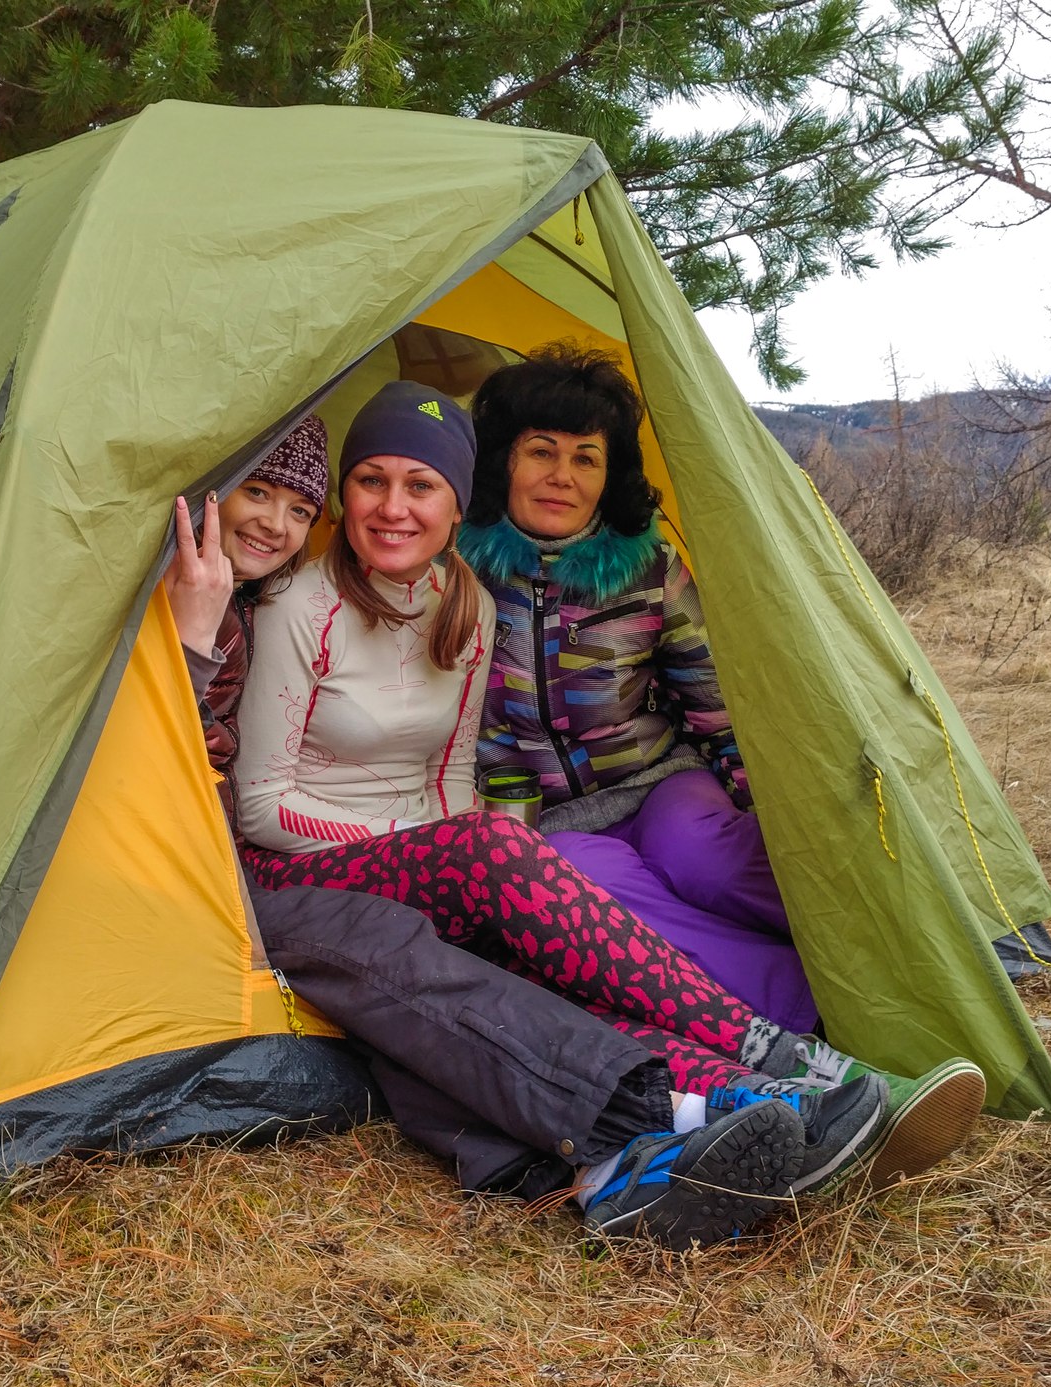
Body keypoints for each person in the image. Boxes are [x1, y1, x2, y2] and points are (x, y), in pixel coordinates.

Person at [226, 382, 894, 1225]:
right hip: (302, 864)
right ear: (344, 498)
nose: (394, 507)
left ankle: (749, 1095)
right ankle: (769, 1044)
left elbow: (450, 776)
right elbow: (260, 807)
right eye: (371, 481)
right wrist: (439, 845)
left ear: (455, 501)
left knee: (549, 960)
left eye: (421, 486)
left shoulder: (459, 604)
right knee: (499, 853)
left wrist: (446, 850)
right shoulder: (298, 607)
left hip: (424, 860)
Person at [459, 345, 986, 1183]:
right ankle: (812, 1018)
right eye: (541, 450)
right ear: (504, 459)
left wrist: (762, 799)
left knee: (705, 851)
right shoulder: (458, 571)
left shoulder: (647, 569)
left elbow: (708, 696)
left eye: (586, 457)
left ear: (610, 472)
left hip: (661, 779)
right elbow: (475, 730)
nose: (563, 475)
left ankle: (905, 962)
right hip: (550, 817)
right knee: (593, 889)